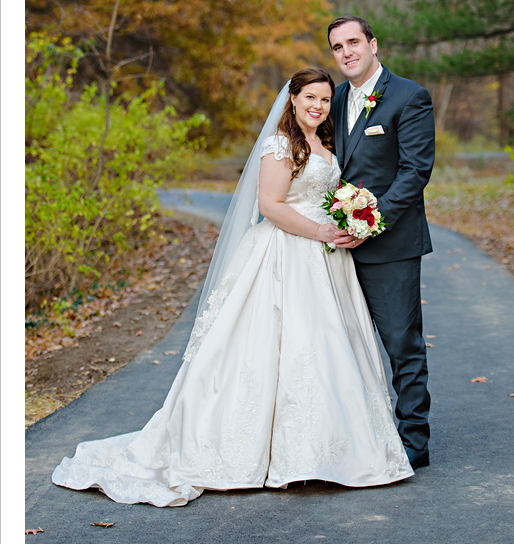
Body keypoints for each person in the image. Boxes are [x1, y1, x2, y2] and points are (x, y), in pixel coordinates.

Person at [52, 68, 413, 507]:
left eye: (324, 99)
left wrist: (346, 217)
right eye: (309, 98)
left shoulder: (326, 142)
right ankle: (257, 451)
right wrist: (320, 233)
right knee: (269, 348)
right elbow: (270, 206)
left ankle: (327, 450)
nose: (317, 106)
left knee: (325, 347)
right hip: (286, 253)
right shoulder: (281, 144)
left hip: (327, 260)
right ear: (293, 100)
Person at [327, 17, 435, 470]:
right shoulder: (330, 100)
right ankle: (362, 434)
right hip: (334, 246)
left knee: (400, 343)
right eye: (337, 47)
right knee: (342, 344)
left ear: (372, 44)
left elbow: (415, 173)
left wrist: (369, 223)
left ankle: (414, 442)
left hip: (389, 246)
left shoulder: (409, 96)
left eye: (354, 42)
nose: (346, 51)